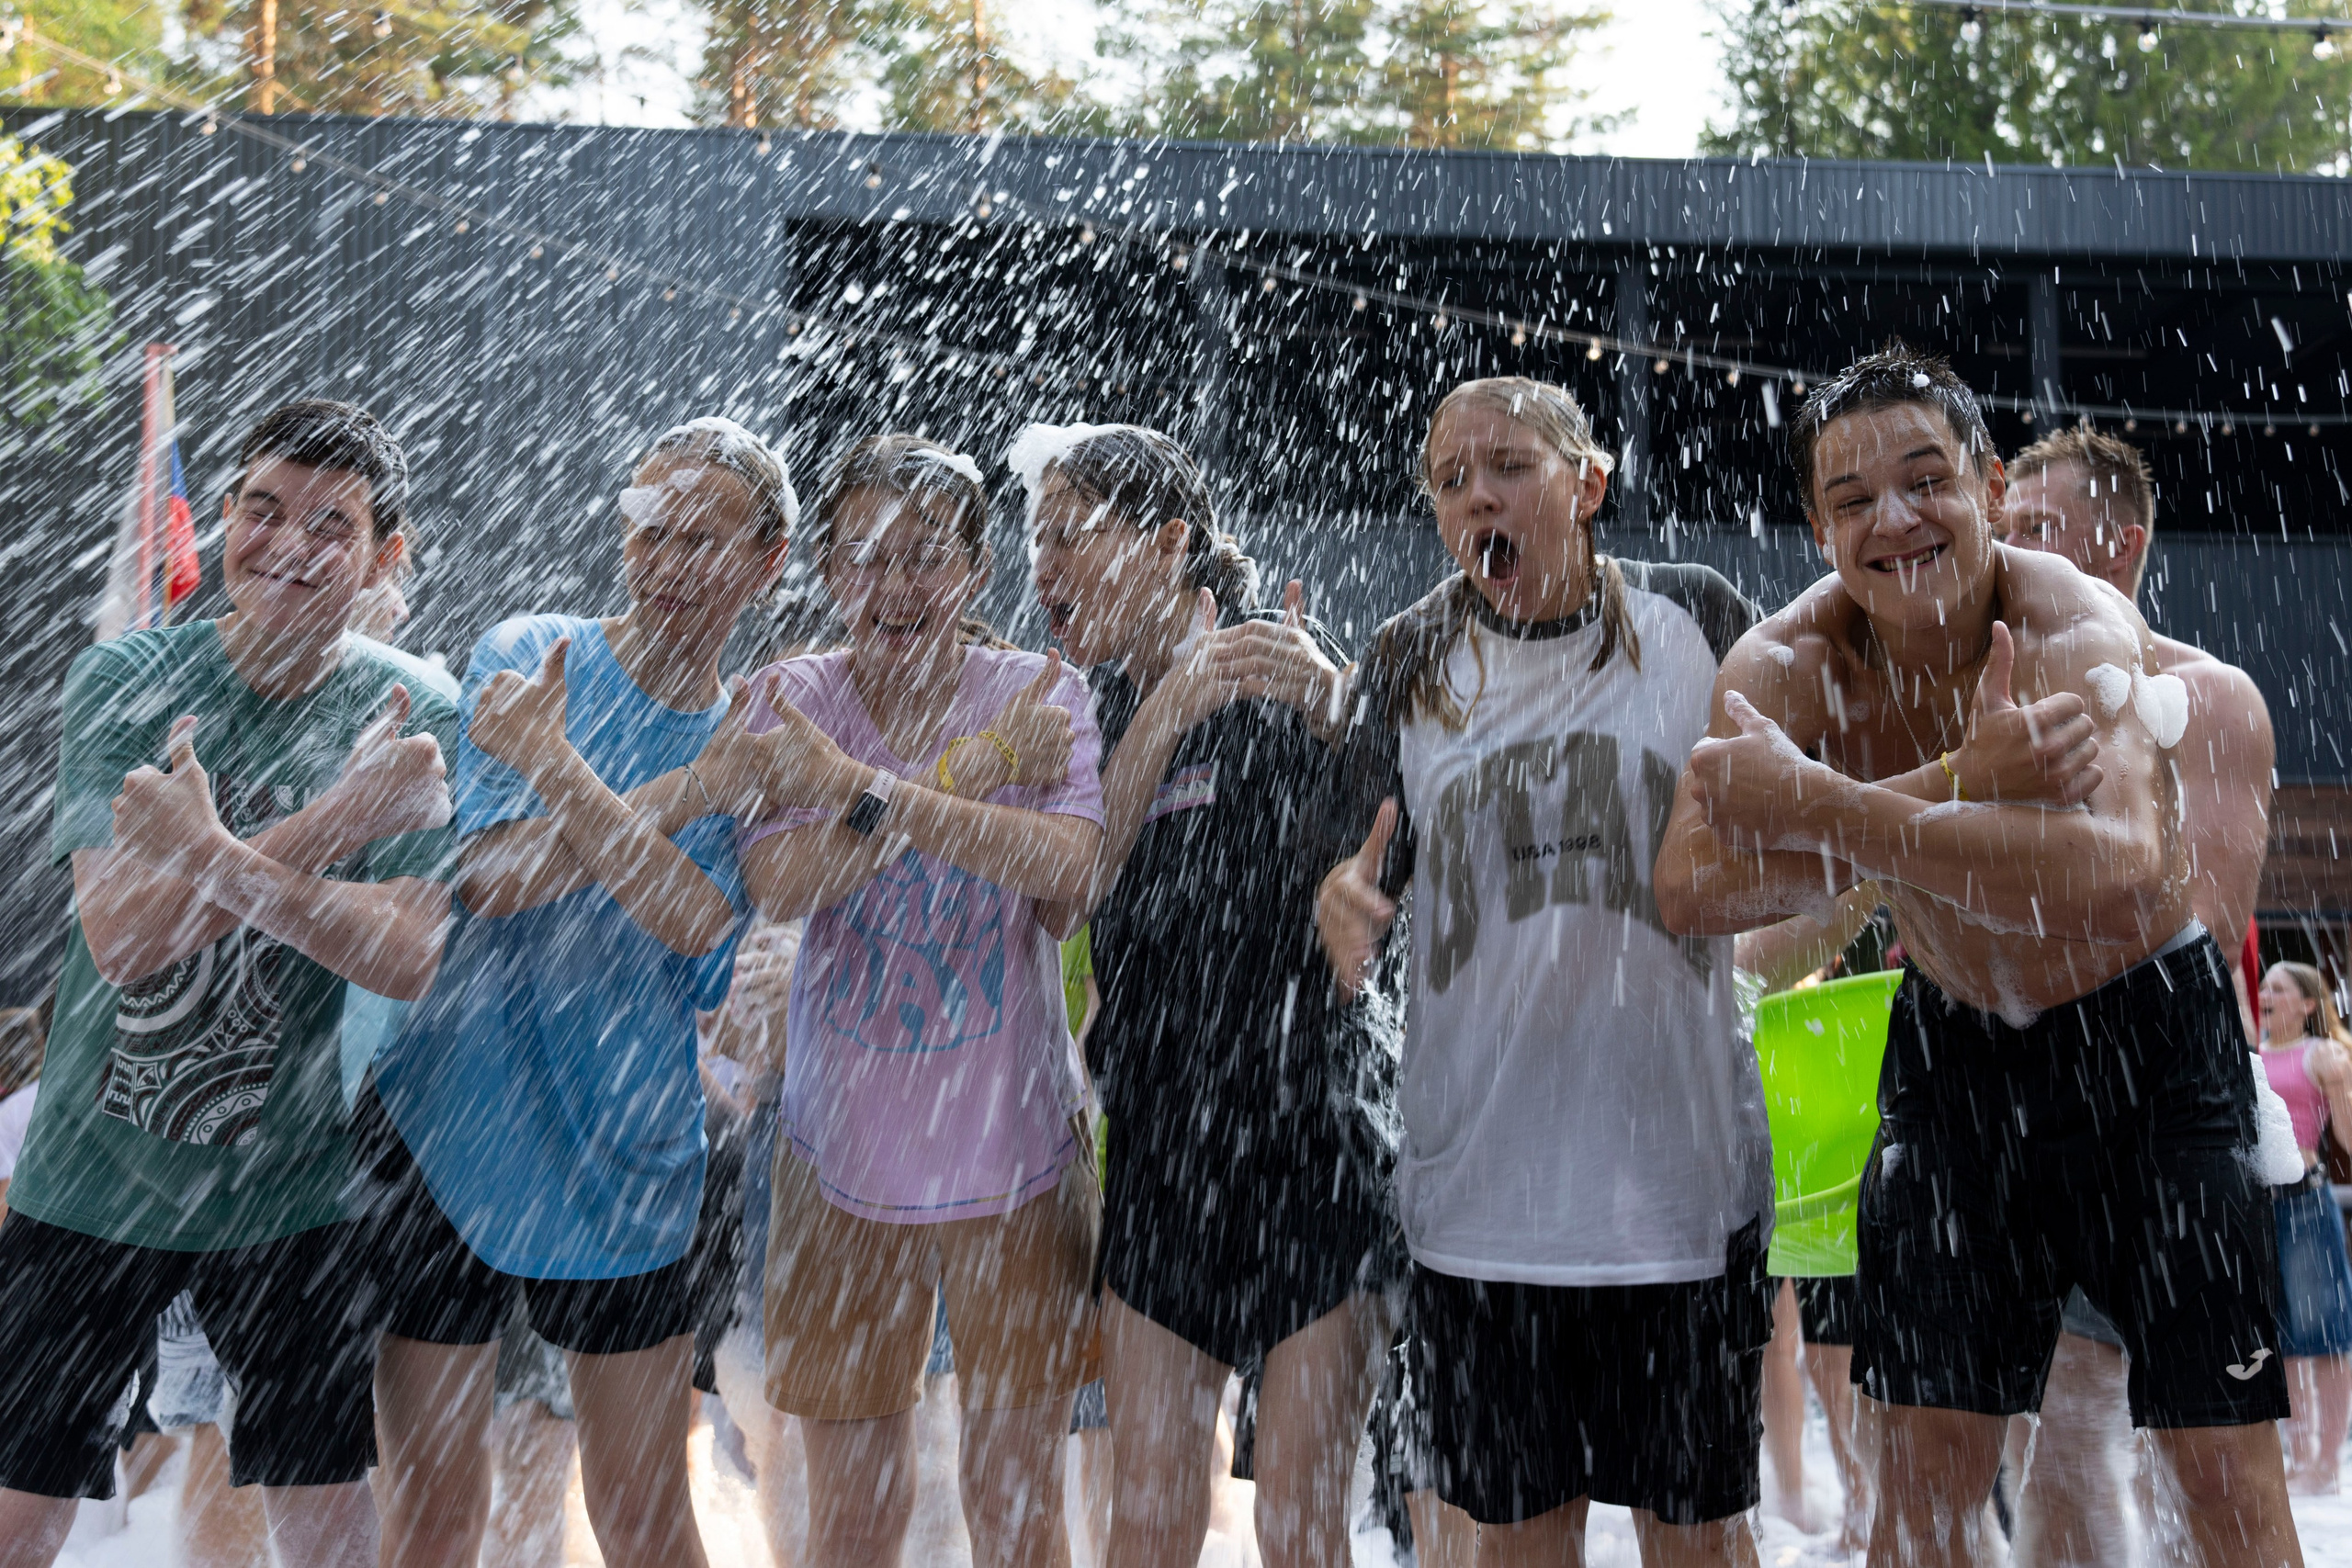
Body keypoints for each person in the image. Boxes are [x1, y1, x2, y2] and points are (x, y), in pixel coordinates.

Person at [1653, 344, 2303, 1568]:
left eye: (1926, 481)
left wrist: (1829, 805)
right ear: (1816, 523)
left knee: (2217, 1471)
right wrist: (1954, 786)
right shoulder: (1785, 666)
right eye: (1853, 499)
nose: (1894, 521)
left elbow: (2113, 860)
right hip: (1954, 1054)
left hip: (2148, 1050)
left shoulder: (2070, 619)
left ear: (1990, 487)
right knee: (1918, 1480)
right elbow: (1693, 887)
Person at [1315, 376, 1774, 1566]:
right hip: (1483, 1198)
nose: (1477, 496)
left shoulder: (1700, 619)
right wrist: (1336, 900)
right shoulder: (1411, 656)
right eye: (1449, 479)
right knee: (1517, 1540)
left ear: (1590, 481)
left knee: (1702, 1533)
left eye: (1507, 464)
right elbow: (1347, 865)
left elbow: (1801, 814)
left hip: (1680, 1184)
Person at [0, 400, 460, 1568]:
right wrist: (338, 821)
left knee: (326, 1529)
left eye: (332, 523)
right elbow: (124, 937)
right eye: (263, 509)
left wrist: (208, 854)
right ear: (225, 519)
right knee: (19, 1513)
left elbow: (403, 952)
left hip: (288, 1187)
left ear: (385, 556)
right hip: (93, 1174)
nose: (288, 544)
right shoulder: (129, 679)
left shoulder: (413, 712)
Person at [364, 416, 819, 1568]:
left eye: (703, 540)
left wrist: (561, 771)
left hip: (630, 1157)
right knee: (430, 1517)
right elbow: (490, 878)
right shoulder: (534, 648)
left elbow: (701, 928)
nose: (668, 562)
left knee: (641, 1519)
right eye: (649, 532)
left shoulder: (755, 741)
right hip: (446, 1124)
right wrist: (671, 798)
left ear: (769, 563)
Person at [1017, 421, 1401, 1568]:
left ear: (1171, 540)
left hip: (1311, 1145)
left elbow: (1388, 833)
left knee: (1297, 1528)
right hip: (1160, 1154)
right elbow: (1065, 890)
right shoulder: (1084, 713)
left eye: (1071, 536)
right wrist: (1169, 707)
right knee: (1144, 1529)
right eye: (1033, 543)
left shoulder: (1279, 660)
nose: (1044, 567)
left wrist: (1346, 715)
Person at [736, 434, 1106, 1568]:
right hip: (836, 1146)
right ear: (827, 571)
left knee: (1016, 1512)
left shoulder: (1045, 691)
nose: (893, 588)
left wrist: (860, 795)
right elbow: (780, 881)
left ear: (974, 567)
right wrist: (974, 770)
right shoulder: (788, 695)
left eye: (924, 556)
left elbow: (1068, 872)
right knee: (848, 1522)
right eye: (863, 558)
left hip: (1016, 1145)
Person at [1996, 424, 2281, 1557]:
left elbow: (2197, 935)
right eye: (2003, 529)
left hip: (2166, 1121)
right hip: (2020, 1119)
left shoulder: (2205, 698)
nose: (2008, 552)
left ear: (2118, 542)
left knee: (2212, 1473)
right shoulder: (1984, 691)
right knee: (2057, 1459)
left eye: (2035, 530)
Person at [2256, 962, 2352, 1493]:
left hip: (2306, 1202)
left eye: (2279, 988)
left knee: (2328, 1337)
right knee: (2283, 1340)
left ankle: (2328, 1461)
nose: (2267, 994)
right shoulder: (2247, 1052)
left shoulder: (2324, 1055)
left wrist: (2345, 1083)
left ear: (2309, 1004)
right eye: (2264, 986)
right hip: (2255, 1206)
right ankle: (2298, 1456)